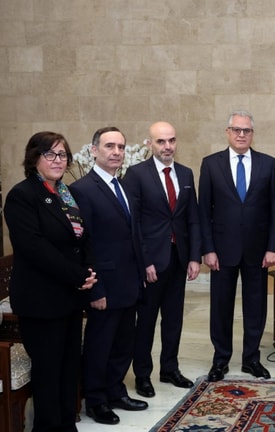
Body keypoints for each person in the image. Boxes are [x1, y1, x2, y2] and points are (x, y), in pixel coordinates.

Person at [3, 132, 97, 432]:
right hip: (41, 300)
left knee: (69, 369)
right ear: (34, 158)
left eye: (63, 154)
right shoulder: (22, 195)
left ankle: (67, 425)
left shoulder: (66, 193)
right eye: (50, 154)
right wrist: (77, 275)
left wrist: (89, 270)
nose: (58, 160)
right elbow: (34, 248)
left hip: (69, 297)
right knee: (48, 372)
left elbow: (81, 238)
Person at [70, 127, 147, 425]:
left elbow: (133, 234)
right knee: (100, 345)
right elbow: (83, 244)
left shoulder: (123, 185)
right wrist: (95, 288)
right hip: (104, 284)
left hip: (129, 281)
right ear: (94, 151)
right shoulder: (82, 189)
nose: (116, 152)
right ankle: (96, 400)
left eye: (121, 147)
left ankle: (116, 391)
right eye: (109, 146)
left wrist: (141, 272)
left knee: (123, 343)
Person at [199, 110, 275, 382]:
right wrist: (208, 249)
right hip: (221, 251)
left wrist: (273, 247)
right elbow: (203, 212)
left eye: (246, 130)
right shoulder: (211, 164)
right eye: (236, 129)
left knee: (256, 307)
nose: (241, 134)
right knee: (220, 307)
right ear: (228, 132)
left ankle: (251, 359)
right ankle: (220, 359)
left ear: (252, 134)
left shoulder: (268, 164)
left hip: (258, 251)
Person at [122, 121, 201, 397]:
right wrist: (144, 262)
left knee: (173, 319)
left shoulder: (186, 173)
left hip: (178, 260)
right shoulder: (136, 174)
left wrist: (194, 257)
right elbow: (133, 224)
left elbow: (192, 218)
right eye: (161, 141)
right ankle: (143, 374)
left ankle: (169, 368)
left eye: (171, 140)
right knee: (146, 321)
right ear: (149, 144)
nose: (167, 146)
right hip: (151, 263)